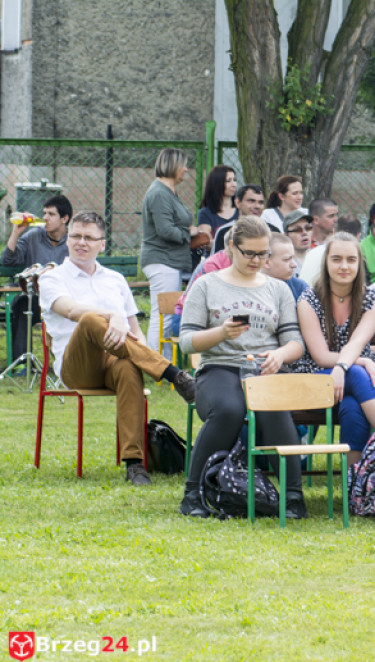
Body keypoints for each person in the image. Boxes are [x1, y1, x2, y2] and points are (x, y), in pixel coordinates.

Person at [39, 211, 196, 486]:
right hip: (77, 367)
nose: (81, 242)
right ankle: (175, 375)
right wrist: (112, 316)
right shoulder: (52, 277)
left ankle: (135, 465)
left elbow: (135, 332)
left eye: (89, 237)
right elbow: (72, 310)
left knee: (127, 367)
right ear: (67, 239)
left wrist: (139, 355)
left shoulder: (115, 279)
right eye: (76, 236)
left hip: (115, 360)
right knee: (90, 320)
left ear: (102, 244)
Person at [178, 216, 307, 519]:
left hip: (265, 370)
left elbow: (295, 343)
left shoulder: (278, 289)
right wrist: (221, 333)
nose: (256, 260)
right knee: (229, 409)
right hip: (219, 367)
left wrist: (280, 355)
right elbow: (186, 342)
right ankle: (193, 493)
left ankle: (293, 496)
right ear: (232, 247)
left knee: (272, 408)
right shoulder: (206, 284)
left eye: (263, 254)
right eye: (249, 253)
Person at [294, 233, 375, 463]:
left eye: (351, 260)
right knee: (356, 372)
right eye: (336, 259)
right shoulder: (308, 300)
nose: (344, 266)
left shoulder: (372, 300)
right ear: (326, 262)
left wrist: (343, 367)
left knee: (353, 408)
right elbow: (320, 356)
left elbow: (357, 343)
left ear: (360, 263)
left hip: (357, 386)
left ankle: (353, 481)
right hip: (315, 380)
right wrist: (358, 362)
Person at [2, 194, 71, 365]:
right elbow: (7, 261)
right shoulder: (33, 236)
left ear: (64, 218)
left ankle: (66, 362)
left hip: (62, 297)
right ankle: (22, 363)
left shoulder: (74, 241)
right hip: (34, 297)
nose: (45, 217)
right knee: (21, 305)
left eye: (51, 214)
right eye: (44, 213)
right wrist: (16, 233)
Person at [140, 148, 196, 356]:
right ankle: (155, 362)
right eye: (183, 165)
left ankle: (164, 362)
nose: (186, 169)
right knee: (162, 316)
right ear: (172, 166)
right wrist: (189, 233)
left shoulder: (168, 191)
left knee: (167, 315)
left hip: (170, 261)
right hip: (162, 260)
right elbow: (165, 230)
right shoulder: (159, 193)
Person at [195, 164, 238, 270]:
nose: (234, 184)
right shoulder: (205, 213)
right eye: (228, 181)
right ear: (217, 183)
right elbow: (206, 242)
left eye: (234, 180)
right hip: (216, 264)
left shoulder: (240, 210)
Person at [211, 184, 265, 253]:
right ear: (238, 203)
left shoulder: (272, 230)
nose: (257, 206)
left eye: (261, 202)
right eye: (251, 201)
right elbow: (216, 259)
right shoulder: (224, 232)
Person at [263, 232, 308, 300]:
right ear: (267, 262)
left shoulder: (300, 287)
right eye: (287, 259)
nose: (294, 265)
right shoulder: (253, 289)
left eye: (293, 258)